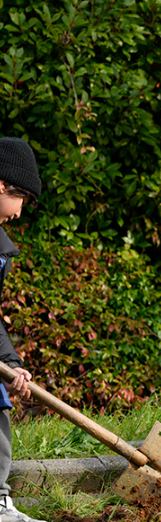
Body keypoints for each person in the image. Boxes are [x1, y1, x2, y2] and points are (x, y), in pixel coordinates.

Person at [0, 137, 45, 522]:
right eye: (23, 201)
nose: (19, 214)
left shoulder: (0, 251)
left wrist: (11, 363)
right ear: (2, 186)